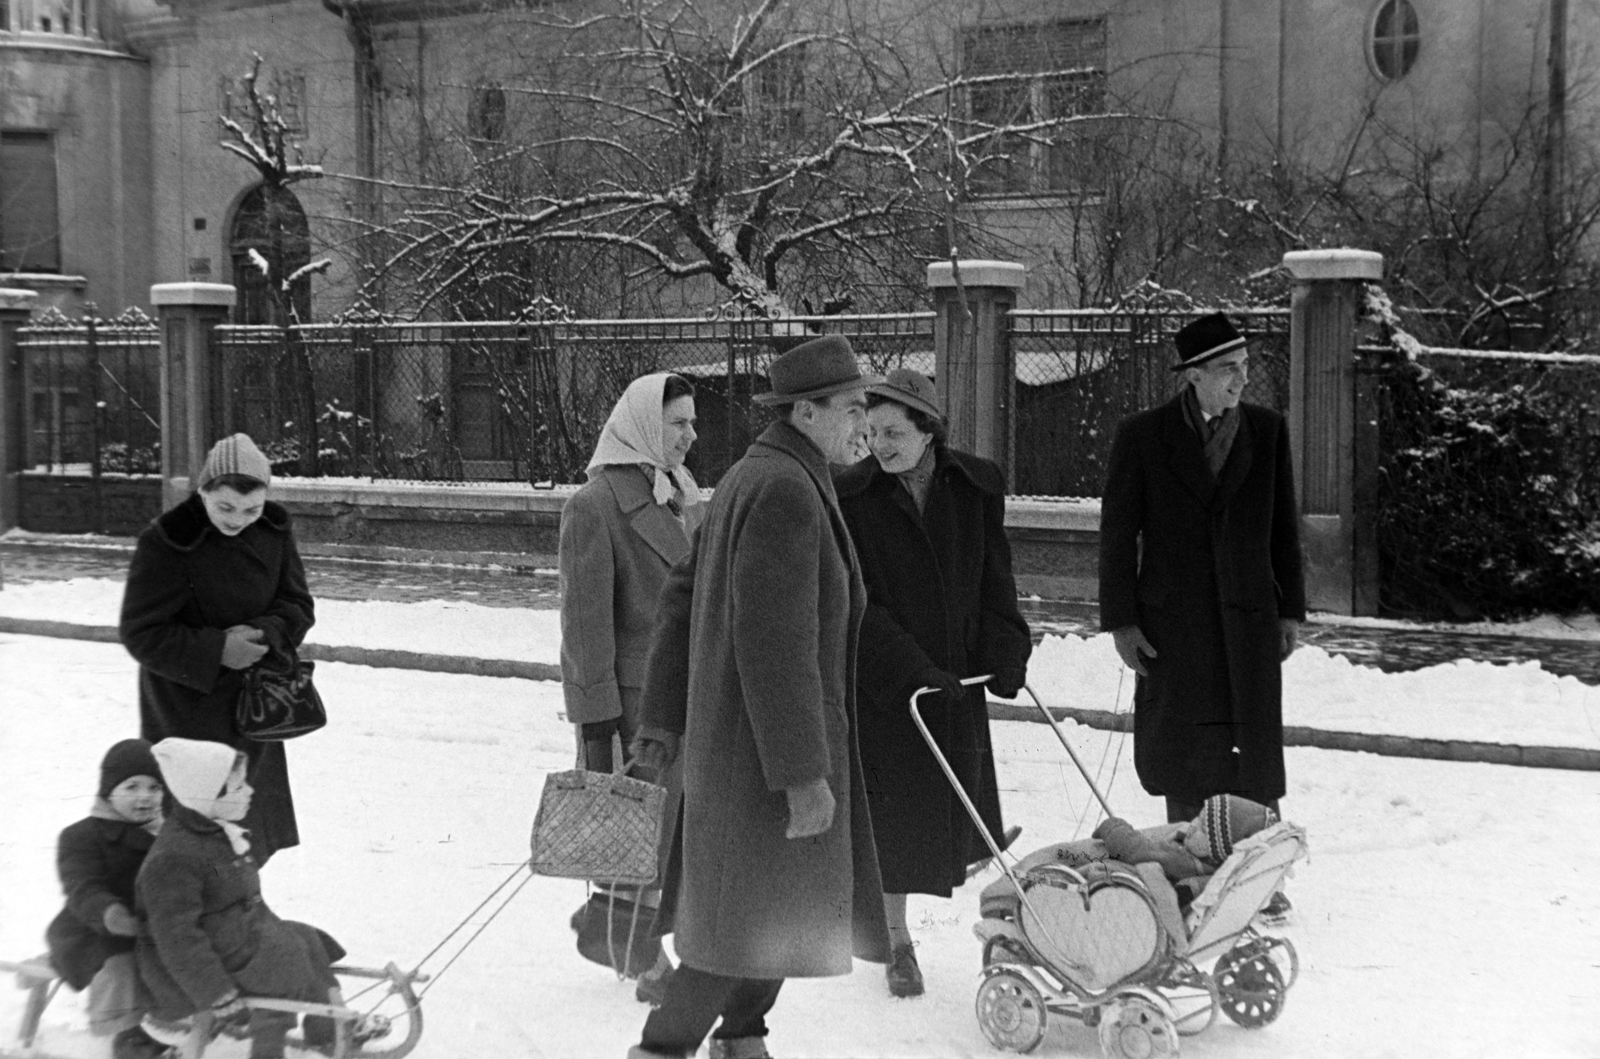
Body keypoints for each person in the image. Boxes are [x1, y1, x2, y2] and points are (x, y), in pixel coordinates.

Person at [625, 334, 891, 1059]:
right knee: (735, 930)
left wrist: (662, 719)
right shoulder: (783, 489)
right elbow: (776, 646)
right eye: (853, 409)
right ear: (807, 412)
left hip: (739, 750)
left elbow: (680, 597)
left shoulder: (757, 474)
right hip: (764, 762)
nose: (862, 425)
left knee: (769, 915)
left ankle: (743, 1038)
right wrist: (803, 775)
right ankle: (662, 1049)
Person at [835, 368, 1032, 998]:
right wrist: (907, 668)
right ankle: (896, 941)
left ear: (928, 431)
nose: (880, 445)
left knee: (961, 815)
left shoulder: (973, 489)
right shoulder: (854, 498)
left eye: (893, 432)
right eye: (870, 433)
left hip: (958, 680)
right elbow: (856, 603)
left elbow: (994, 578)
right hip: (891, 684)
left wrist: (1007, 648)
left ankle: (1003, 933)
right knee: (894, 822)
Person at [1097, 312, 1305, 907]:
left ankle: (1259, 878)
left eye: (1244, 367)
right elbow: (1117, 534)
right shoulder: (1143, 435)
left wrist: (1288, 610)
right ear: (1193, 376)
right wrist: (1122, 622)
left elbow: (1282, 529)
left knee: (1251, 753)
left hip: (1246, 622)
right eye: (1227, 370)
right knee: (1184, 752)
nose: (1241, 380)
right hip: (1174, 625)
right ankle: (1189, 869)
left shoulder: (1265, 431)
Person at [559, 372, 704, 1000]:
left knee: (668, 840)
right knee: (635, 836)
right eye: (677, 423)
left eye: (692, 423)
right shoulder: (594, 506)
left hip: (687, 701)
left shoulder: (678, 495)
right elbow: (584, 626)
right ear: (644, 424)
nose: (689, 436)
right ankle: (632, 953)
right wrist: (597, 727)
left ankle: (627, 940)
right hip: (637, 714)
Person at [119, 433, 314, 865]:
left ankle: (238, 911)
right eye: (225, 507)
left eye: (252, 509)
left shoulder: (274, 533)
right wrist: (217, 649)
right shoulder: (168, 541)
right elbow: (140, 631)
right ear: (203, 491)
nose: (238, 519)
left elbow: (298, 605)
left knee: (245, 832)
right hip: (184, 708)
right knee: (190, 838)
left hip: (254, 705)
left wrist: (267, 632)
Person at [135, 738, 344, 1059]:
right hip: (195, 970)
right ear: (206, 796)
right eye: (238, 787)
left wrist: (276, 933)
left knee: (306, 939)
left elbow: (235, 893)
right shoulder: (173, 860)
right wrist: (215, 992)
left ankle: (328, 1032)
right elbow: (177, 940)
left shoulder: (213, 836)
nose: (250, 791)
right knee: (282, 968)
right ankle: (267, 1051)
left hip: (234, 941)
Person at [44, 739, 168, 1059]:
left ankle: (173, 1020)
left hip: (153, 927)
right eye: (132, 786)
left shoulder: (168, 836)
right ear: (108, 790)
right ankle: (128, 1034)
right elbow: (82, 886)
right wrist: (110, 913)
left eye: (155, 787)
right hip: (91, 930)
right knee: (121, 962)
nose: (145, 796)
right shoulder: (81, 836)